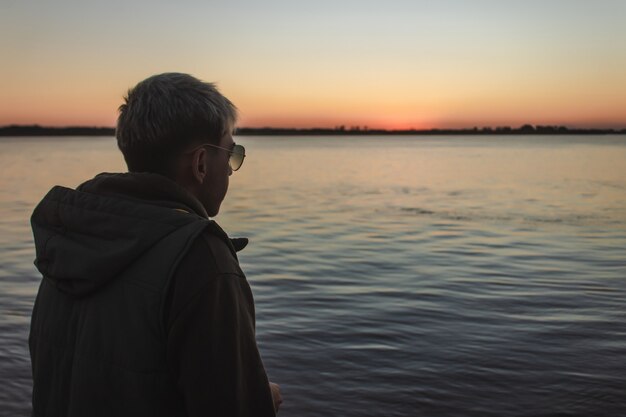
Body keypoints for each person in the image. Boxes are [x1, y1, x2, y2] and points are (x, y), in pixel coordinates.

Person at [29, 73, 282, 417]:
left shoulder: (70, 236)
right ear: (201, 163)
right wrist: (263, 399)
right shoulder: (199, 256)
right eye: (231, 152)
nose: (232, 168)